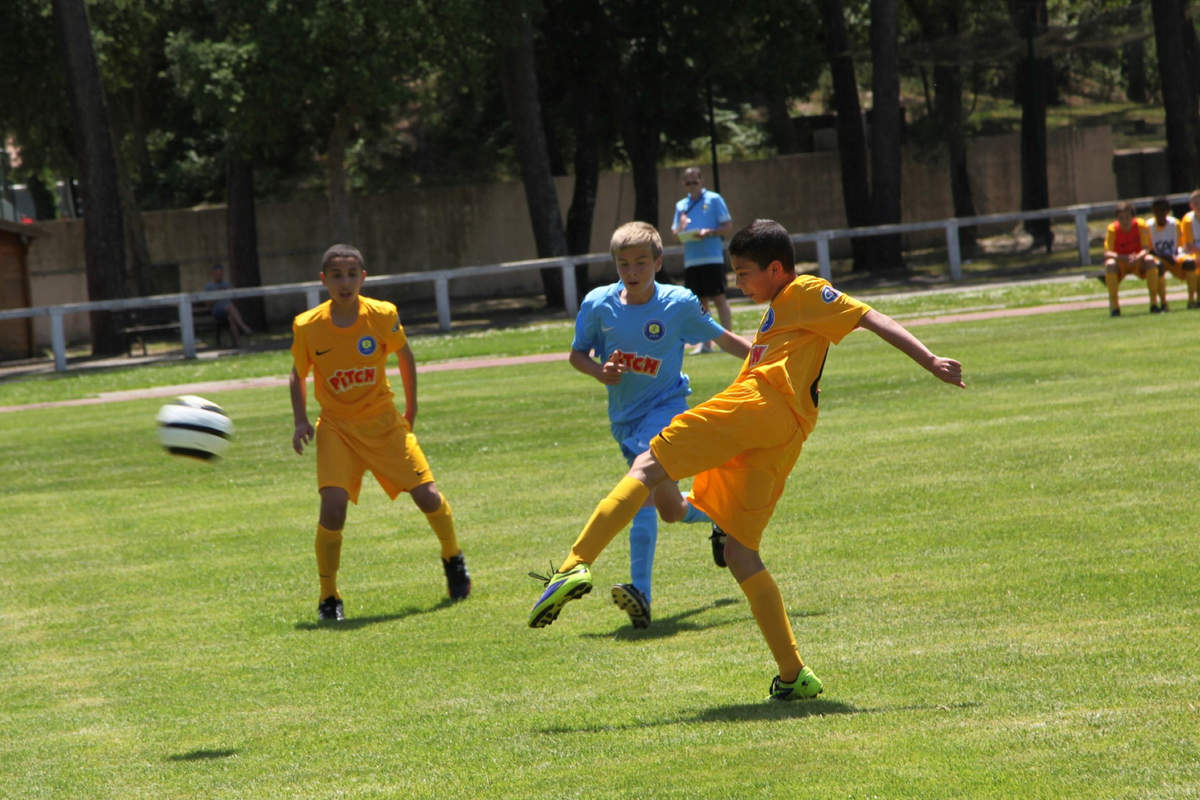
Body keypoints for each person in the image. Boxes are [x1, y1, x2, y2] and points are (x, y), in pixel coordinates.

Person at [528, 219, 964, 702]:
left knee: (647, 466)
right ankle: (795, 674)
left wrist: (930, 361)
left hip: (759, 405)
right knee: (739, 552)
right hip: (786, 435)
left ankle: (574, 564)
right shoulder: (778, 309)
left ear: (775, 268)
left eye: (744, 273)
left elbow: (867, 316)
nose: (738, 283)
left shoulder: (803, 290)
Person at [568, 221, 752, 629]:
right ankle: (723, 515)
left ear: (657, 262)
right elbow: (577, 354)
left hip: (667, 412)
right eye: (623, 264)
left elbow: (722, 338)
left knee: (641, 492)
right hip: (624, 420)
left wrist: (769, 362)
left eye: (640, 263)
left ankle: (641, 592)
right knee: (673, 510)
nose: (631, 272)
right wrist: (602, 372)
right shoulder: (598, 304)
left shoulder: (678, 304)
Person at [289, 244, 470, 622]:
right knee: (333, 507)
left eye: (352, 274)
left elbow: (405, 355)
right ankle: (328, 597)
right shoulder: (308, 325)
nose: (345, 282)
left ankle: (453, 557)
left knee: (428, 496)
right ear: (324, 281)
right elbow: (297, 373)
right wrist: (300, 419)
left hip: (384, 424)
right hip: (337, 428)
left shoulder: (382, 314)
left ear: (363, 278)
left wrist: (412, 407)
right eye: (336, 275)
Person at [671, 167, 734, 353]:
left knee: (719, 298)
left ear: (701, 180)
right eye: (688, 183)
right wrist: (681, 229)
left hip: (712, 258)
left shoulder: (714, 199)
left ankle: (729, 341)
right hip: (692, 261)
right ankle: (706, 344)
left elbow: (727, 225)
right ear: (684, 184)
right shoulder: (681, 206)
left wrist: (710, 232)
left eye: (695, 182)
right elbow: (675, 236)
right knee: (700, 303)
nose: (692, 186)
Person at [1103, 201, 1158, 316]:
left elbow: (1146, 248)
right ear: (1117, 219)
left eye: (1127, 217)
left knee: (1150, 260)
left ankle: (1154, 304)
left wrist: (1138, 257)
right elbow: (1107, 253)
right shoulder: (1112, 229)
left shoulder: (1141, 225)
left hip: (1138, 262)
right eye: (1121, 218)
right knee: (1110, 264)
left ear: (1133, 217)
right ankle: (1115, 308)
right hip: (1121, 263)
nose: (1125, 221)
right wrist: (1125, 257)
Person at [1144, 197, 1196, 312]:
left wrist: (1176, 257)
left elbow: (1180, 246)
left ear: (1168, 211)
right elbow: (1149, 250)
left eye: (1163, 210)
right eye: (1157, 211)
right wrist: (1166, 257)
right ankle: (1162, 303)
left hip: (1174, 257)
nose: (1160, 214)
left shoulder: (1174, 223)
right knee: (1158, 266)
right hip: (1159, 258)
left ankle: (1192, 301)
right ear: (1153, 212)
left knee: (1190, 263)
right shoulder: (1148, 226)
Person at [204, 264, 253, 347]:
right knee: (229, 306)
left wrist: (230, 291)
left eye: (220, 274)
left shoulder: (227, 284)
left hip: (230, 312)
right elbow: (208, 304)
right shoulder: (209, 286)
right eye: (217, 274)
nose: (219, 276)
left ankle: (237, 343)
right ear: (213, 274)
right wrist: (218, 295)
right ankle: (243, 327)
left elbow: (234, 298)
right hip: (218, 312)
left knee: (231, 318)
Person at [1172, 190, 1200, 309]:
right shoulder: (1188, 220)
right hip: (1190, 253)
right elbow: (1188, 246)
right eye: (1196, 203)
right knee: (1192, 263)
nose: (1199, 206)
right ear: (1191, 205)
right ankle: (1191, 299)